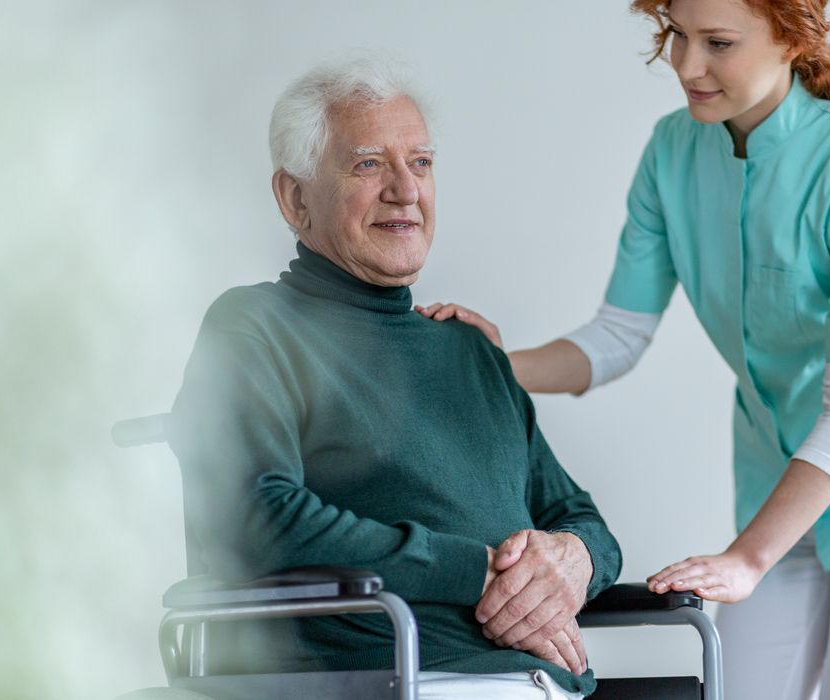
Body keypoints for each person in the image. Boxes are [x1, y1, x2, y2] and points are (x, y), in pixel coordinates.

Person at [418, 1, 830, 698]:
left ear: (792, 41)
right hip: (779, 488)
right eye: (677, 35)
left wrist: (745, 560)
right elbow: (617, 337)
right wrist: (492, 364)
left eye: (718, 42)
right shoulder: (671, 152)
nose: (686, 64)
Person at [167, 58, 621, 700]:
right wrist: (474, 572)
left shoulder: (470, 348)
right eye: (368, 164)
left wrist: (576, 560)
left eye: (422, 163)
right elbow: (257, 516)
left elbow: (577, 516)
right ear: (296, 198)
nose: (406, 190)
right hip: (394, 677)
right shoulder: (254, 329)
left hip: (549, 685)